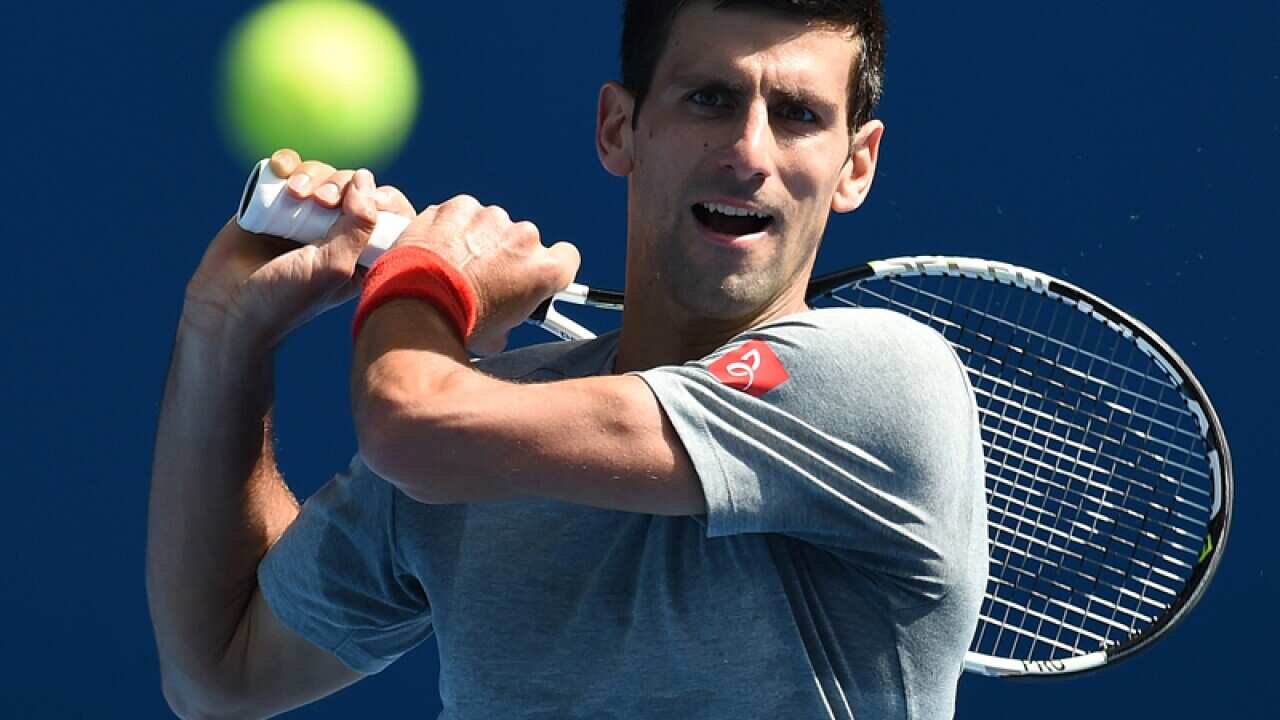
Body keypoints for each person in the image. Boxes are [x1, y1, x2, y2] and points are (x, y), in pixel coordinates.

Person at [148, 1, 987, 718]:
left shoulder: (886, 379)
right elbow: (219, 674)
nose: (751, 152)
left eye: (799, 114)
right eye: (710, 99)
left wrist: (430, 277)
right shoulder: (486, 417)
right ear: (620, 128)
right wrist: (224, 335)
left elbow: (414, 423)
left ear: (857, 163)